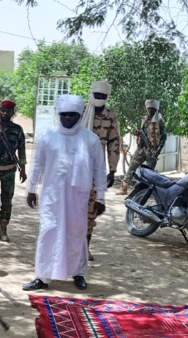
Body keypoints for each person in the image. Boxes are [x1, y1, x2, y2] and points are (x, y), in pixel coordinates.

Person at [23, 94, 105, 292]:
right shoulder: (47, 135)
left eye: (72, 115)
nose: (67, 119)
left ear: (79, 115)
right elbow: (38, 164)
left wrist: (101, 197)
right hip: (52, 195)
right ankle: (42, 276)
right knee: (48, 231)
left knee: (76, 233)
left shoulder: (90, 139)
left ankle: (78, 273)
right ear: (58, 115)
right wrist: (31, 189)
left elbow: (99, 170)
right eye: (64, 115)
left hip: (78, 197)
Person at [80, 81, 120, 260]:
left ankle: (85, 248)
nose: (100, 99)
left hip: (96, 168)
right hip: (76, 166)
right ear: (92, 94)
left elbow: (114, 143)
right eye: (97, 95)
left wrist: (112, 170)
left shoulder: (110, 116)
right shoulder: (79, 111)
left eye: (103, 97)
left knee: (91, 209)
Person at [0, 100, 27, 242]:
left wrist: (23, 170)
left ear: (12, 113)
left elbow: (21, 149)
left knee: (7, 200)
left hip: (9, 170)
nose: (5, 113)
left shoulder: (17, 129)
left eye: (8, 111)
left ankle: (3, 228)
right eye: (3, 111)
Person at [119, 99, 167, 195]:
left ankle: (144, 192)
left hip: (152, 150)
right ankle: (124, 188)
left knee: (149, 173)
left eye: (152, 109)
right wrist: (137, 133)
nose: (150, 111)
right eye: (149, 109)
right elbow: (142, 132)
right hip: (141, 148)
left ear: (156, 109)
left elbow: (164, 137)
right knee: (132, 167)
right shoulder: (144, 119)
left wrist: (158, 150)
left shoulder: (160, 121)